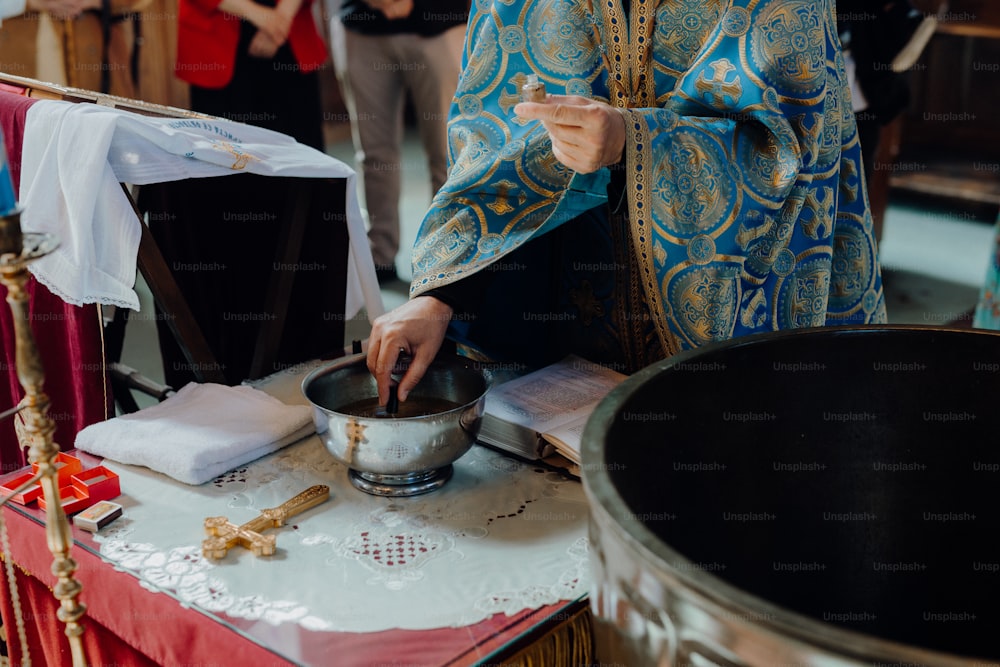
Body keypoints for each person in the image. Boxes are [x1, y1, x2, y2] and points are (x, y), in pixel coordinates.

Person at [367, 0, 888, 404]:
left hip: (727, 327)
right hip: (564, 332)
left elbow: (795, 146)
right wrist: (443, 294)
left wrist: (632, 141)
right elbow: (493, 135)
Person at [332, 0, 467, 283]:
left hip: (440, 24)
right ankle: (380, 255)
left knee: (447, 152)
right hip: (362, 24)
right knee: (374, 153)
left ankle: (445, 256)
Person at [175, 0, 328, 149]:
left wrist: (281, 19)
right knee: (225, 155)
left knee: (302, 148)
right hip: (217, 40)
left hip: (290, 32)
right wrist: (259, 15)